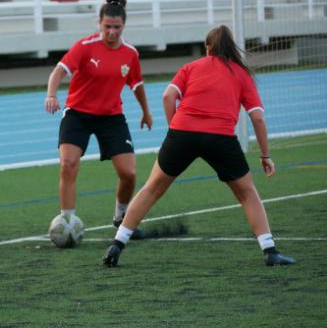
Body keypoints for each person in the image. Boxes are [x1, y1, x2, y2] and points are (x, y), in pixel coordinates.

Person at [103, 25, 295, 267]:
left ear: (208, 48)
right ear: (231, 49)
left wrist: (175, 129)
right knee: (247, 193)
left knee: (151, 189)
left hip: (182, 133)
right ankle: (270, 251)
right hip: (221, 138)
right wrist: (265, 155)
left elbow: (167, 96)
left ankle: (116, 246)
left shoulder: (191, 67)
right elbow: (257, 117)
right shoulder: (241, 74)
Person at [45, 0, 153, 239]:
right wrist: (51, 95)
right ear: (99, 24)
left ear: (124, 26)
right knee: (68, 165)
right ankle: (67, 221)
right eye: (107, 27)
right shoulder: (84, 47)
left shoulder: (130, 53)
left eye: (117, 27)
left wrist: (146, 112)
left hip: (111, 117)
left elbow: (136, 84)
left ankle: (121, 218)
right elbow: (58, 72)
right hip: (78, 114)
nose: (112, 32)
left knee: (129, 173)